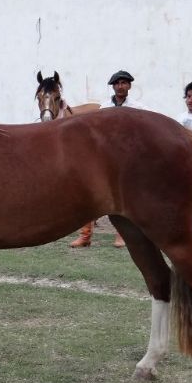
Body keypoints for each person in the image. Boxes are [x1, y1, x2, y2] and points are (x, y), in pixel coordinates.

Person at [69, 70, 144, 249]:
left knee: (123, 197)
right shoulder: (104, 108)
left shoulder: (138, 107)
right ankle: (85, 236)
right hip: (106, 158)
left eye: (124, 83)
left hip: (126, 157)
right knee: (91, 196)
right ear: (113, 86)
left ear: (129, 86)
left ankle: (122, 236)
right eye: (117, 83)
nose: (120, 86)